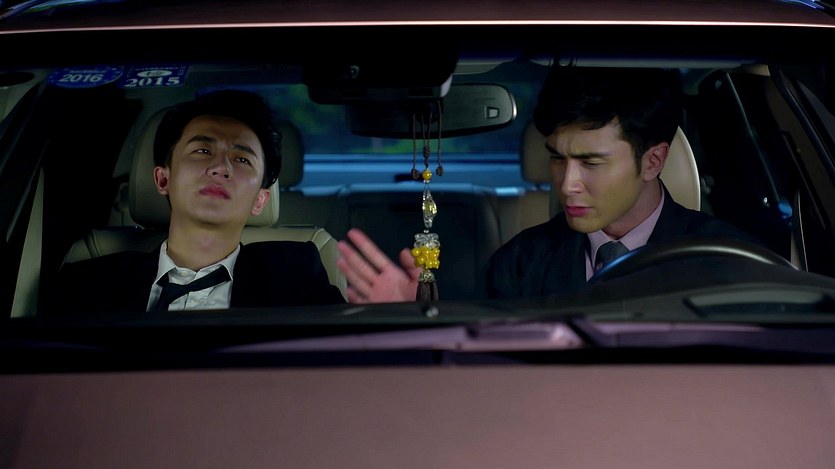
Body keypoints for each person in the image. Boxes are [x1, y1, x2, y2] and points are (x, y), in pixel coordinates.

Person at [337, 65, 765, 303]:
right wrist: (418, 317)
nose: (567, 184)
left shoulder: (730, 259)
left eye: (591, 162)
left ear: (653, 161)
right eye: (558, 158)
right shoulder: (521, 262)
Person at [48, 90, 345, 314]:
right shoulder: (89, 282)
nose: (220, 168)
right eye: (203, 151)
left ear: (260, 200)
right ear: (163, 180)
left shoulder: (295, 277)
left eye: (242, 159)